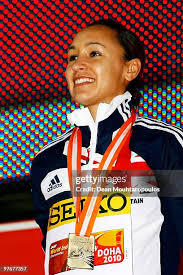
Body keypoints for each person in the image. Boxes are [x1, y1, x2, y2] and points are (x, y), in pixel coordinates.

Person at [31, 19, 183, 275]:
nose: (77, 64)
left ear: (130, 69)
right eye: (72, 57)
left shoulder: (159, 143)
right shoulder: (48, 161)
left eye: (94, 53)